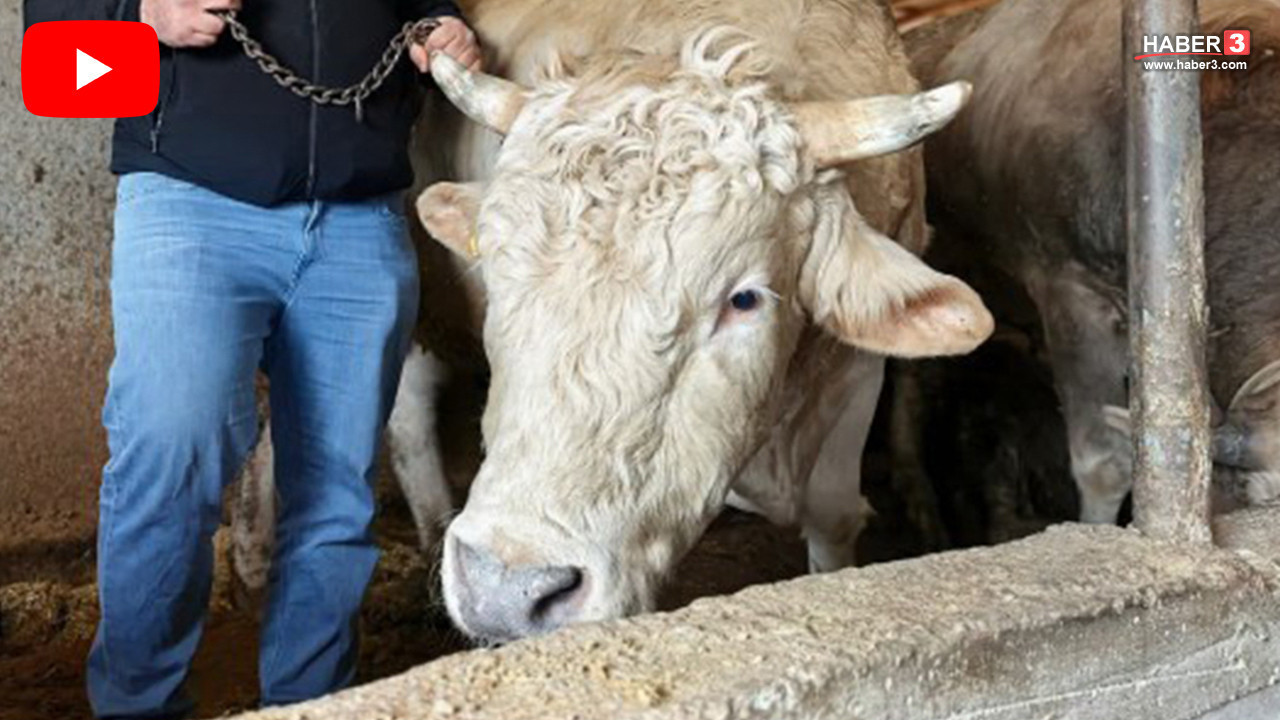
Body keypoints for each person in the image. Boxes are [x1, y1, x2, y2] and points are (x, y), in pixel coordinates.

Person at [21, 0, 482, 717]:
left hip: (361, 215)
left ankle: (310, 702)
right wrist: (140, 11)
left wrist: (437, 24)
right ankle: (139, 706)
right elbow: (50, 17)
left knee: (337, 493)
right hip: (190, 199)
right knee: (171, 453)